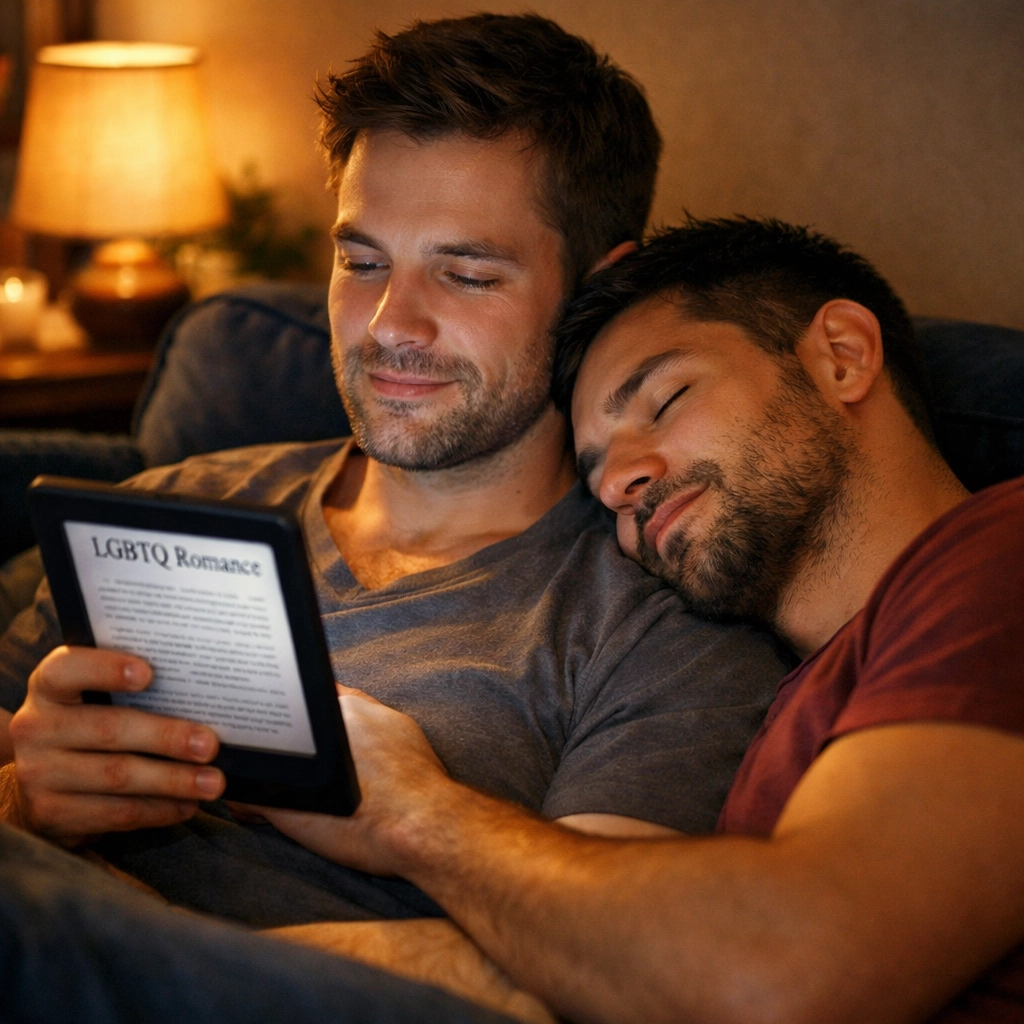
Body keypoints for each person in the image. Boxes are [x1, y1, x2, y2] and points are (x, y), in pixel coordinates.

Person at [0, 17, 787, 928]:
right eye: (361, 261)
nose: (387, 326)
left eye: (466, 276)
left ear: (600, 289)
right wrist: (27, 800)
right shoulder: (161, 514)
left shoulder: (660, 621)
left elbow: (616, 965)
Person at [248, 217, 1024, 1023]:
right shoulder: (785, 703)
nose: (620, 480)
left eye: (665, 400)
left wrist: (415, 812)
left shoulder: (1000, 555)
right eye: (595, 471)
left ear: (841, 355)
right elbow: (667, 964)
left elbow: (788, 969)